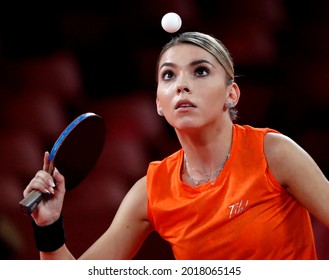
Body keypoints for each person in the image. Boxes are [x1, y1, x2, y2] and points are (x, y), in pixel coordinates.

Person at [23, 31, 329, 260]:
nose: (182, 84)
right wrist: (48, 227)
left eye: (200, 71)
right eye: (168, 75)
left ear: (231, 94)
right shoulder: (152, 191)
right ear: (159, 103)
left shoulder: (274, 154)